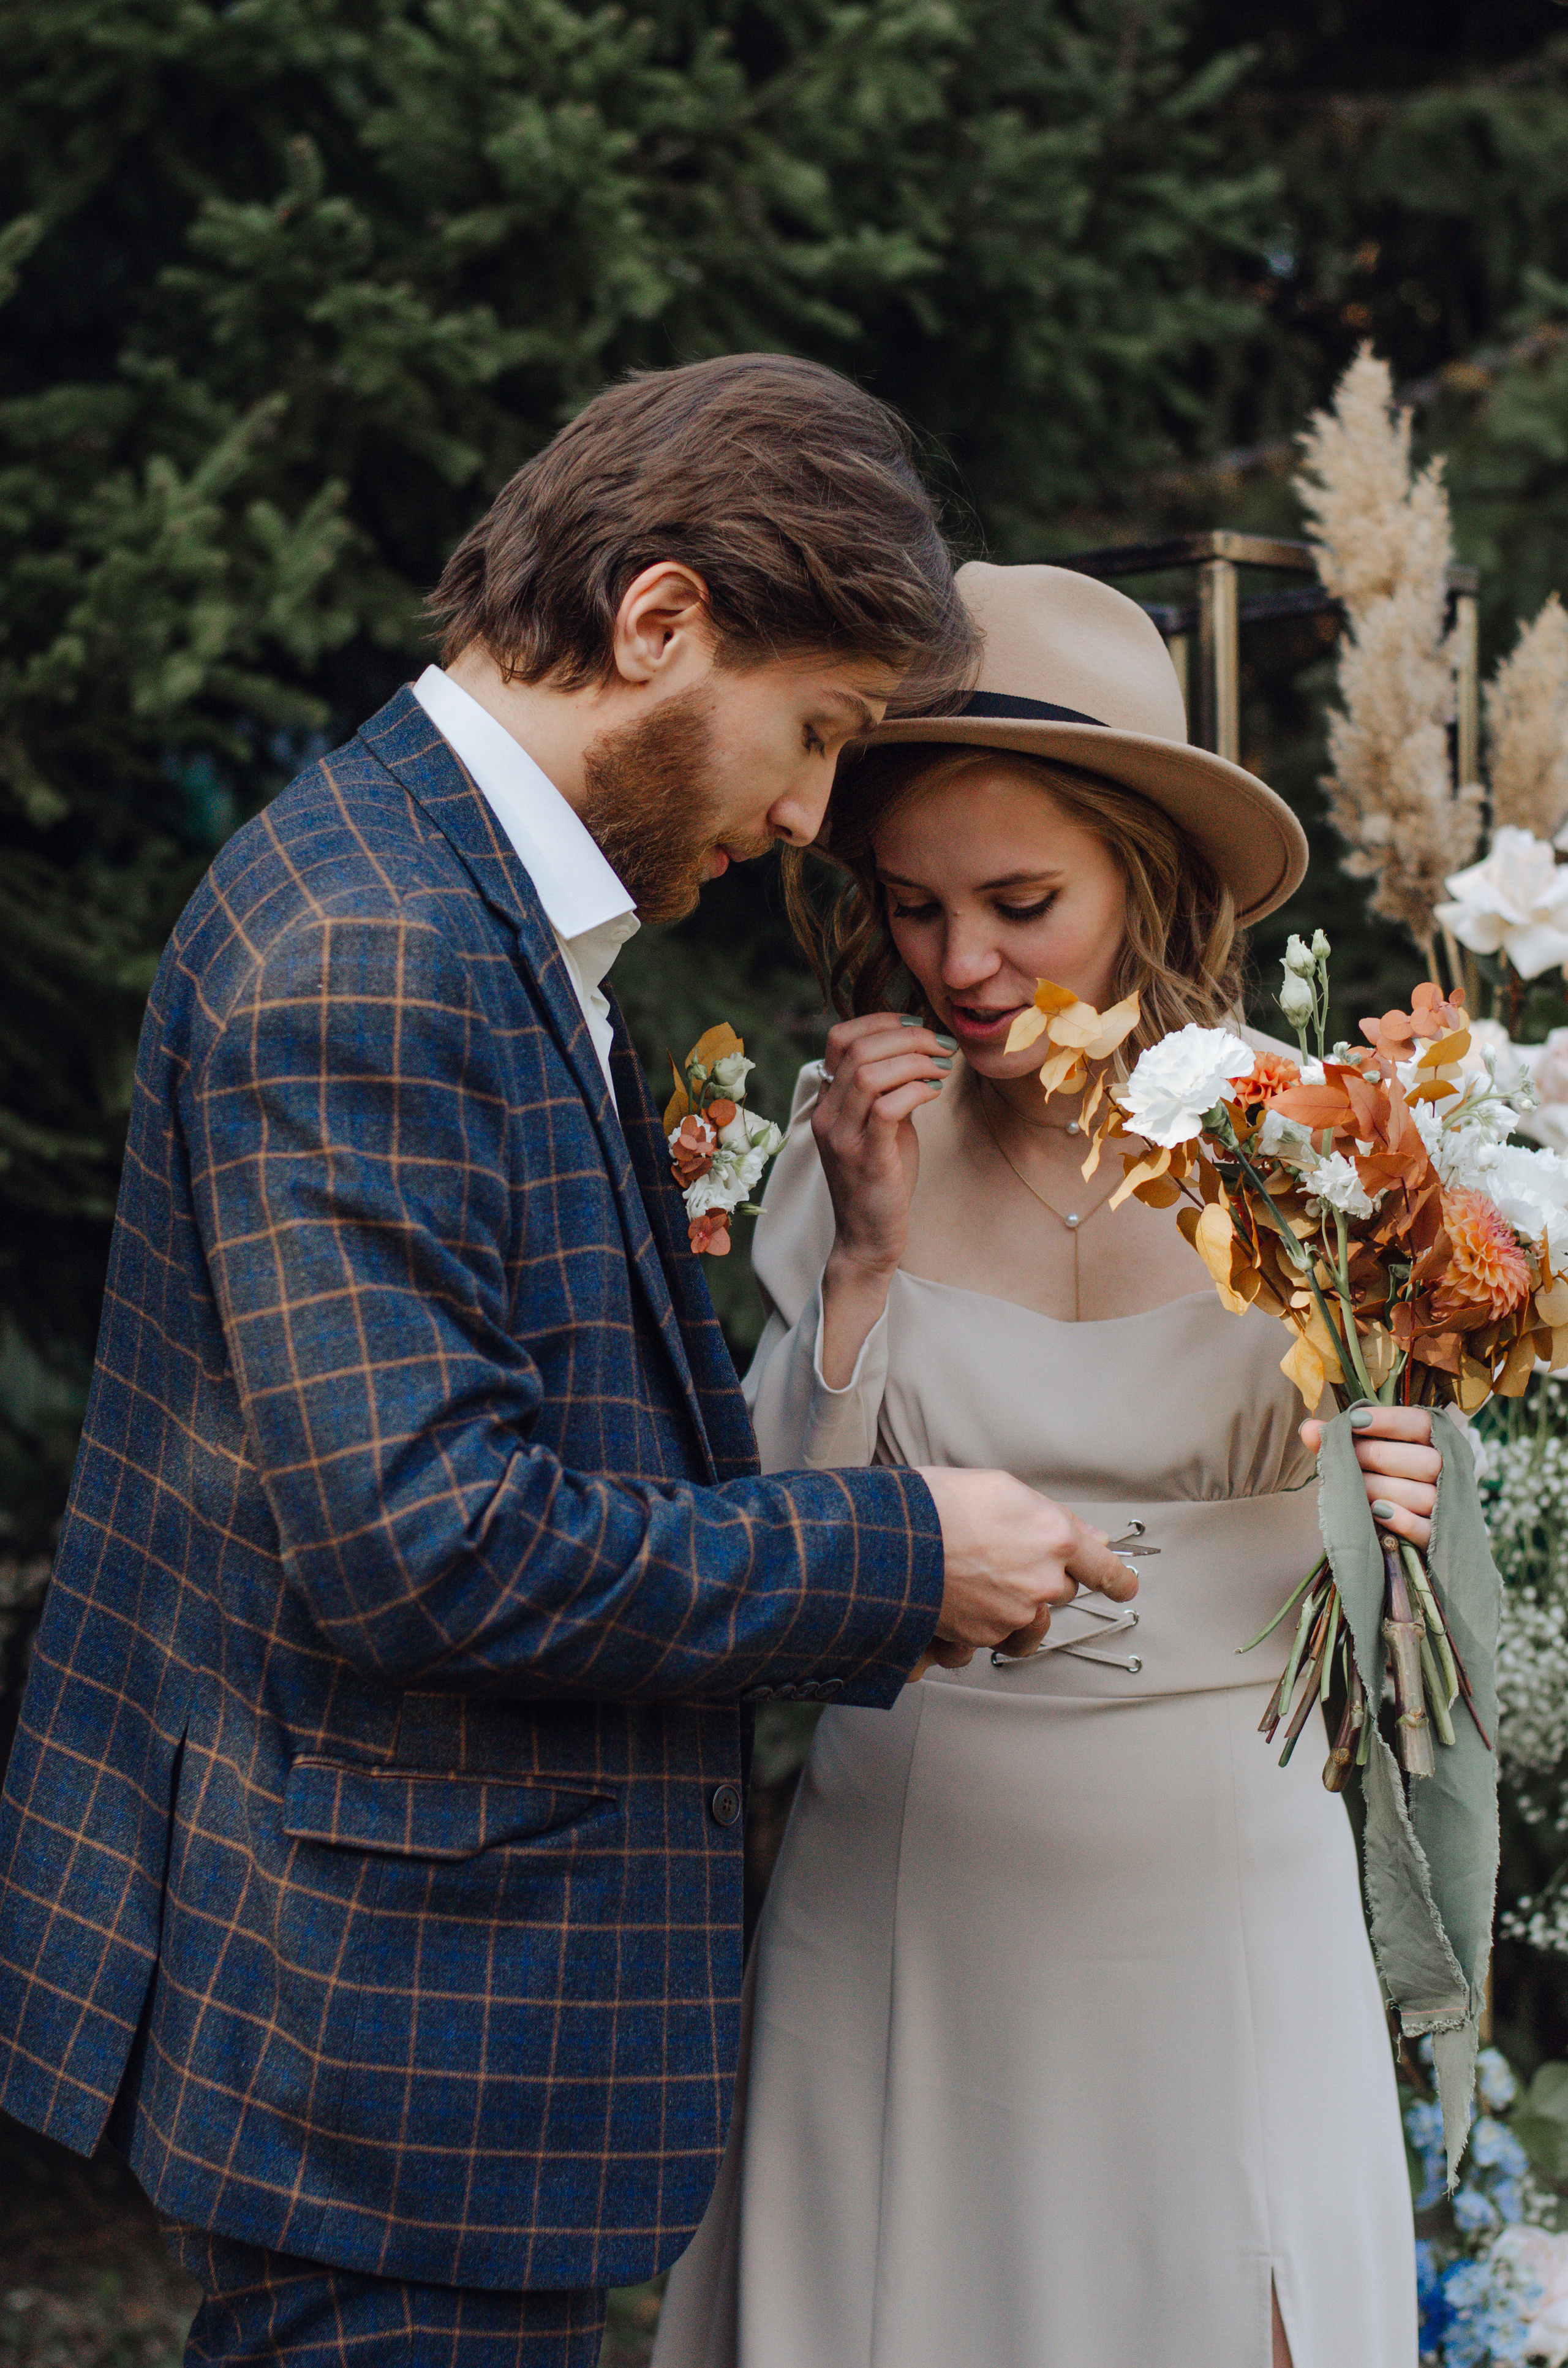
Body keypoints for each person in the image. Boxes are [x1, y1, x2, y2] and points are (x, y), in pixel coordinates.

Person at [0, 364, 1139, 2368]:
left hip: (437, 2058)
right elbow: (425, 1539)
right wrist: (895, 1553)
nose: (807, 813)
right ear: (661, 620)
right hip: (384, 2062)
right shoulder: (376, 943)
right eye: (814, 737)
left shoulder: (473, 908)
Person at [653, 562, 1433, 2368]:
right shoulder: (853, 1153)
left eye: (1022, 902)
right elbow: (764, 1557)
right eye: (915, 906)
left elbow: (1406, 1645)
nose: (962, 962)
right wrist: (859, 1250)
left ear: (1146, 884)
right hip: (913, 1889)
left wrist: (1406, 1499)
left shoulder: (1309, 1163)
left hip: (1225, 1891)